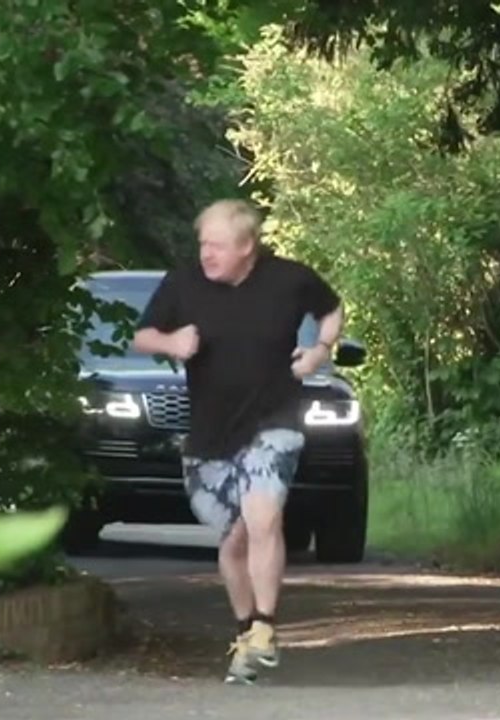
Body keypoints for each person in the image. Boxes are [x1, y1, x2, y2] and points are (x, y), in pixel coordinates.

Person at [131, 199, 345, 683]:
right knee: (234, 542)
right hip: (211, 435)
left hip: (274, 421)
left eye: (218, 246)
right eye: (203, 244)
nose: (206, 254)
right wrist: (171, 343)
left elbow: (332, 310)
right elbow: (143, 335)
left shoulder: (289, 279)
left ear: (247, 246)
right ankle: (247, 634)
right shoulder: (183, 283)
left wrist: (319, 350)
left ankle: (265, 627)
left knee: (264, 516)